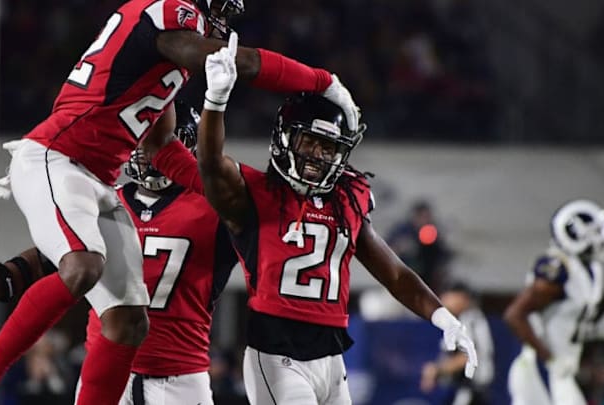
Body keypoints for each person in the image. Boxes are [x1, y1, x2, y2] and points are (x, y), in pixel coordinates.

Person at [0, 0, 360, 402]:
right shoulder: (169, 18)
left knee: (126, 320)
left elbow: (161, 146)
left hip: (95, 182)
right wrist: (324, 81)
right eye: (217, 11)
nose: (221, 24)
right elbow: (236, 61)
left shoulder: (171, 72)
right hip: (58, 157)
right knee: (84, 265)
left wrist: (213, 181)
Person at [146, 33, 478, 404]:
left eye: (328, 147)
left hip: (332, 360)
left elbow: (395, 274)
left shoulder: (346, 200)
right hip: (278, 356)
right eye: (309, 142)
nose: (318, 155)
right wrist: (216, 101)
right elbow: (209, 164)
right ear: (285, 139)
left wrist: (442, 317)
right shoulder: (255, 194)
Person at [0, 102, 238, 404]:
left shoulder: (215, 208)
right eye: (143, 142)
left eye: (160, 143)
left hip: (180, 378)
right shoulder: (107, 200)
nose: (148, 153)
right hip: (108, 371)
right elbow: (46, 262)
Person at [504, 199, 604, 405]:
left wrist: (595, 330)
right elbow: (514, 315)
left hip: (560, 371)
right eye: (597, 232)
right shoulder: (558, 268)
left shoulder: (589, 269)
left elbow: (563, 326)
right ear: (576, 234)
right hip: (539, 369)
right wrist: (549, 358)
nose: (603, 238)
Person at [420, 281, 494, 405]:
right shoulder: (458, 320)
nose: (444, 299)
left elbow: (468, 356)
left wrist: (437, 370)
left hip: (471, 388)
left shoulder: (469, 318)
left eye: (449, 295)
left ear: (462, 297)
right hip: (465, 389)